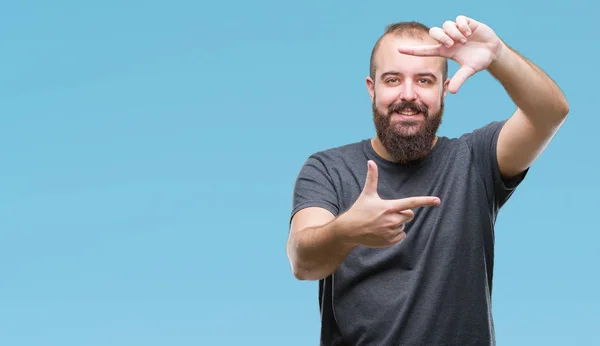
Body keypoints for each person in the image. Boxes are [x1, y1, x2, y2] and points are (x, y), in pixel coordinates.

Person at [286, 15, 569, 346]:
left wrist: (498, 55)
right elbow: (302, 261)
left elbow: (550, 113)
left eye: (424, 80)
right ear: (371, 88)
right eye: (392, 80)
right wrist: (348, 230)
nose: (409, 95)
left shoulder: (475, 160)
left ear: (444, 89)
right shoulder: (328, 169)